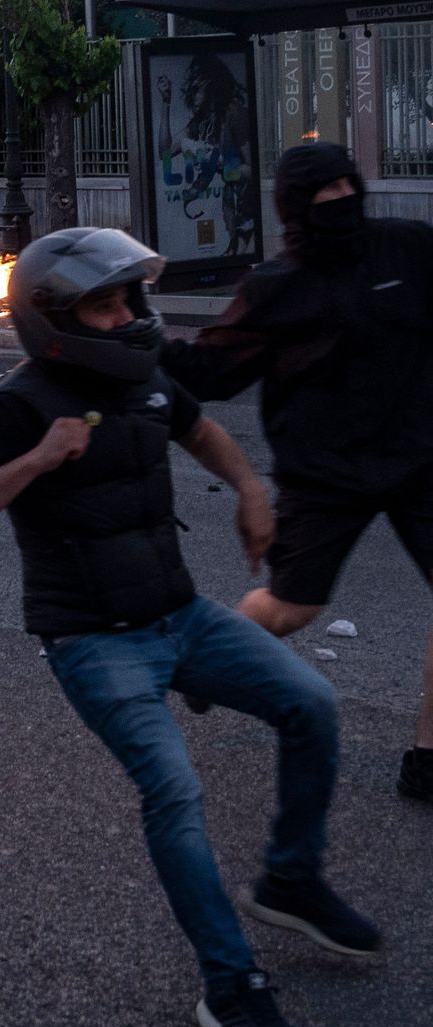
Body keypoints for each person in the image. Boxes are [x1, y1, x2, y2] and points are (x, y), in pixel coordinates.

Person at [0, 226, 378, 1027]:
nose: (129, 317)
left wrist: (249, 489)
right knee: (174, 791)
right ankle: (230, 986)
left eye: (130, 298)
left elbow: (198, 429)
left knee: (312, 704)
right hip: (94, 643)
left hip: (182, 617)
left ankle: (290, 880)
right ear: (56, 320)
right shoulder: (21, 405)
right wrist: (38, 458)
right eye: (106, 305)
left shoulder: (141, 377)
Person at [160, 141, 433, 806]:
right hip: (326, 473)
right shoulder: (277, 287)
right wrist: (141, 344)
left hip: (420, 458)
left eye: (347, 185)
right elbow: (213, 372)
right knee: (292, 608)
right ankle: (205, 657)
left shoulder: (406, 248)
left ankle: (428, 759)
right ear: (295, 208)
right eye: (323, 193)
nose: (341, 199)